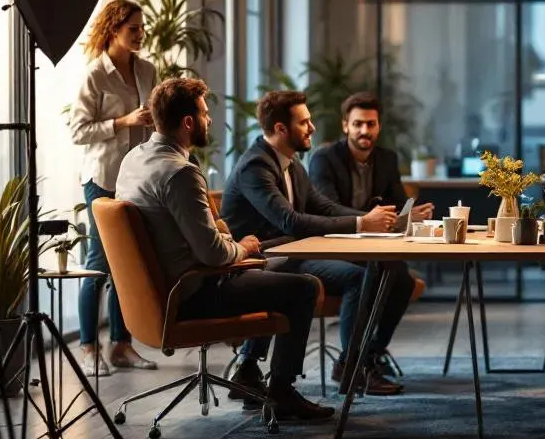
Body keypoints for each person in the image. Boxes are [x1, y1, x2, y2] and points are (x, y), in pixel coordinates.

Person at [113, 78, 333, 421]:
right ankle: (282, 392)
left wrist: (231, 242)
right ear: (188, 122)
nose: (209, 119)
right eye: (204, 113)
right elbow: (214, 255)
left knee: (282, 258)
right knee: (304, 287)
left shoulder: (134, 159)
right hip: (194, 290)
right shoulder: (179, 173)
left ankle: (248, 369)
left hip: (164, 290)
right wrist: (242, 247)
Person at [220, 90, 411, 396]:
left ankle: (249, 368)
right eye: (304, 122)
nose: (312, 128)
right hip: (261, 259)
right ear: (281, 128)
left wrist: (369, 219)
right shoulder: (256, 167)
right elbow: (291, 221)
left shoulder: (291, 163)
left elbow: (323, 207)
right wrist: (363, 223)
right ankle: (351, 367)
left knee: (387, 271)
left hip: (292, 253)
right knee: (357, 278)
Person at [67, 0, 158, 377]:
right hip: (103, 179)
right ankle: (88, 347)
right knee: (99, 263)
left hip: (136, 179)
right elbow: (78, 131)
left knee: (129, 262)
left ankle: (122, 345)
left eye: (142, 28)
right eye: (133, 28)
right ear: (114, 30)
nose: (140, 34)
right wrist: (122, 122)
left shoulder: (148, 70)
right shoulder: (95, 75)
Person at [307, 91, 434, 221]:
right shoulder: (324, 158)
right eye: (358, 124)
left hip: (376, 232)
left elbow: (398, 204)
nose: (365, 131)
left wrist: (410, 214)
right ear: (345, 126)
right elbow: (329, 209)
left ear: (379, 126)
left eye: (371, 124)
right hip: (336, 231)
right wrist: (369, 218)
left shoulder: (387, 159)